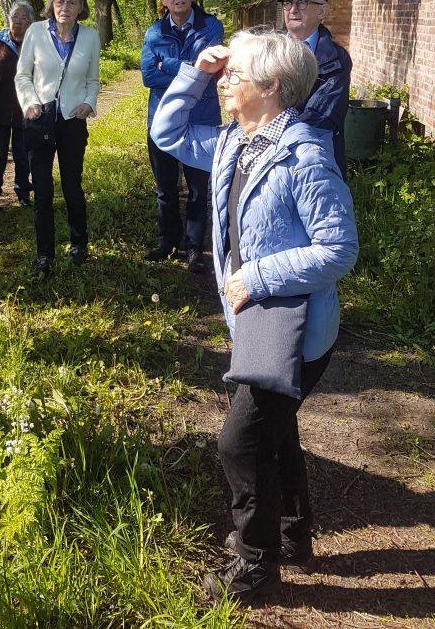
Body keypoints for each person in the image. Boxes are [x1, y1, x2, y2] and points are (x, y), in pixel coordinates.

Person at [151, 30, 358, 601]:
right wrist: (194, 73)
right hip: (257, 322)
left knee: (240, 442)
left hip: (297, 330)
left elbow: (339, 248)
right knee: (276, 432)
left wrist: (258, 277)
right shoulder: (233, 143)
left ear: (271, 87)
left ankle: (255, 564)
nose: (224, 83)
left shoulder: (304, 155)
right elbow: (165, 132)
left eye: (233, 75)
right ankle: (292, 536)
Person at [15, 0, 101, 274]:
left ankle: (79, 244)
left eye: (71, 3)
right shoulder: (35, 32)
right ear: (51, 5)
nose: (65, 8)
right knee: (42, 190)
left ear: (80, 8)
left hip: (72, 119)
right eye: (60, 2)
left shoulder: (90, 37)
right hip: (40, 118)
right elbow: (22, 75)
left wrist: (88, 103)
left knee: (72, 186)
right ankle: (45, 254)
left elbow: (92, 79)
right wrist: (29, 103)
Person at [140, 0, 223, 270]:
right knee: (165, 188)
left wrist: (168, 64)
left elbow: (209, 71)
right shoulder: (154, 32)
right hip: (161, 121)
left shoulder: (211, 26)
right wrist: (192, 68)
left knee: (199, 189)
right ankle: (169, 241)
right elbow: (148, 76)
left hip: (201, 119)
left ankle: (194, 248)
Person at [276, 0, 352, 177]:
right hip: (269, 160)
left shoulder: (337, 59)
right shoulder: (267, 51)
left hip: (315, 160)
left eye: (302, 3)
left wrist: (271, 131)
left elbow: (321, 116)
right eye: (288, 3)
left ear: (322, 11)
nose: (293, 10)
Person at [0, 0, 35, 211]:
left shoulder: (35, 44)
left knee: (22, 155)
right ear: (8, 19)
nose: (18, 22)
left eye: (23, 18)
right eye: (15, 17)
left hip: (25, 109)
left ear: (30, 22)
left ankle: (23, 193)